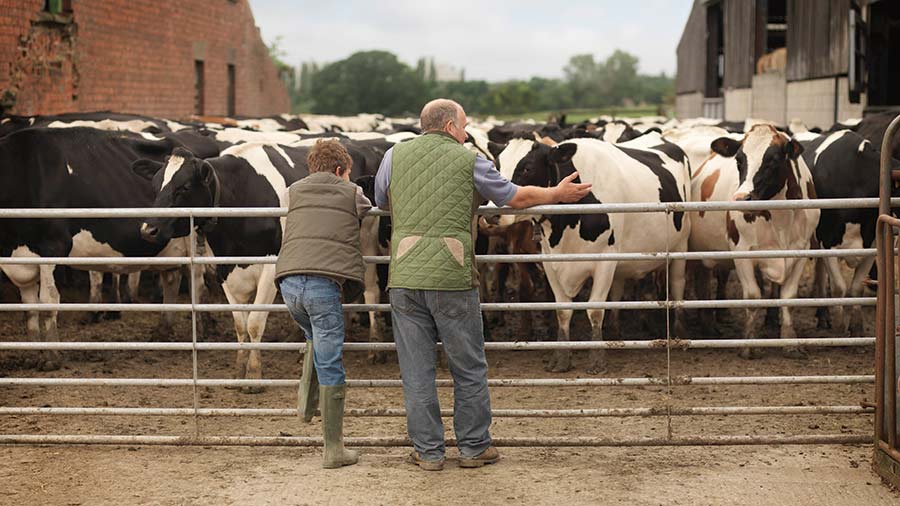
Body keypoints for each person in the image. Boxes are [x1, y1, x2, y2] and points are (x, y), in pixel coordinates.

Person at [374, 98, 592, 471]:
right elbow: (515, 198)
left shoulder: (394, 155)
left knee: (416, 370)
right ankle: (474, 448)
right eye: (463, 125)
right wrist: (556, 194)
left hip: (405, 275)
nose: (465, 131)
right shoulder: (469, 159)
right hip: (452, 273)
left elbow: (382, 201)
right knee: (468, 367)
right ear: (448, 127)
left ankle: (428, 453)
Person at [276, 139, 372, 469]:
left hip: (289, 284)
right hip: (323, 284)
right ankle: (333, 449)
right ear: (339, 170)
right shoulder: (352, 193)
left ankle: (306, 404)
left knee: (314, 338)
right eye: (347, 174)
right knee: (330, 361)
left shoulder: (293, 190)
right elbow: (366, 209)